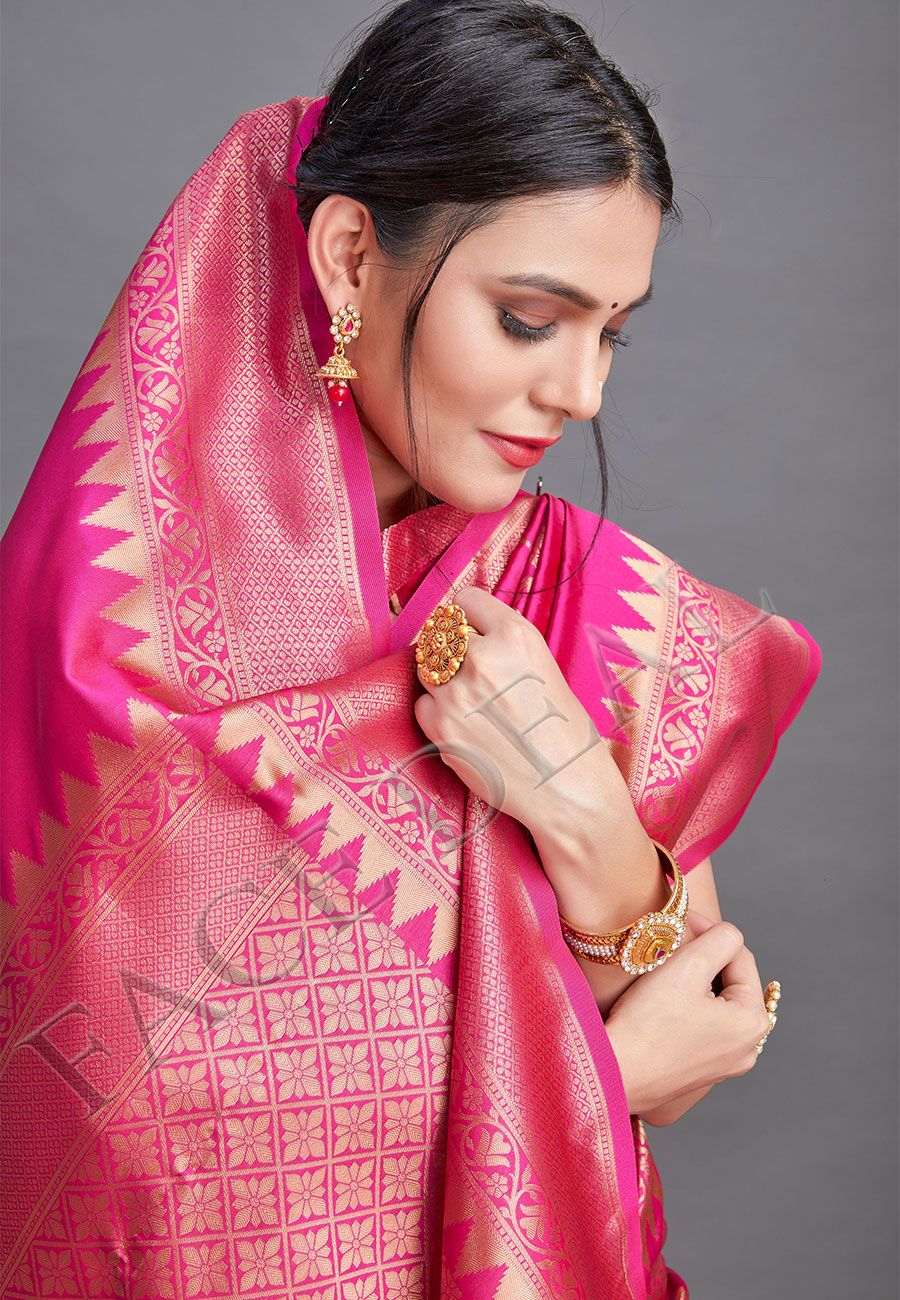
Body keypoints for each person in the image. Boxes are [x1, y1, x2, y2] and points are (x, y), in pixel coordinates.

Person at [0, 2, 822, 1296]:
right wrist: (593, 1078)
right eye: (530, 318)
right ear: (348, 259)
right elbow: (93, 1148)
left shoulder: (591, 614)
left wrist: (584, 811)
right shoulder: (102, 634)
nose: (581, 393)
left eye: (611, 331)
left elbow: (699, 1046)